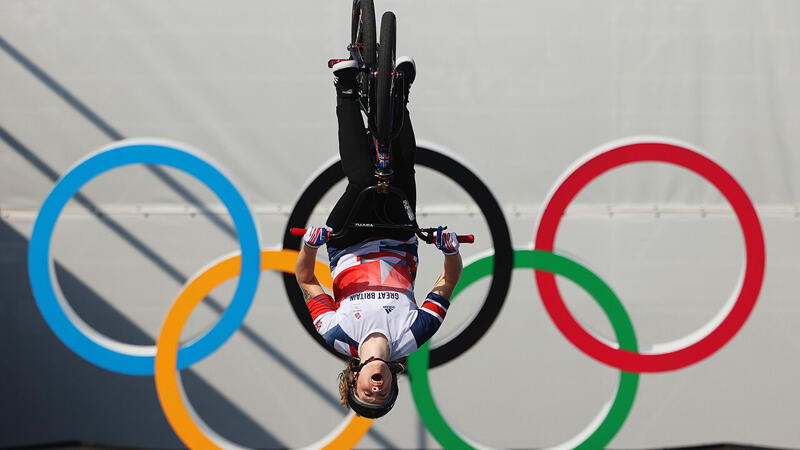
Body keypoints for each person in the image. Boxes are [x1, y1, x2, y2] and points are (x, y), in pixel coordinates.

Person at [294, 56, 463, 419]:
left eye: (366, 393)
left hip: (347, 239)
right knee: (402, 169)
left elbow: (306, 280)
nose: (376, 389)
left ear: (353, 378)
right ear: (391, 384)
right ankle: (399, 90)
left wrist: (310, 245)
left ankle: (345, 88)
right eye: (383, 395)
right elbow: (448, 282)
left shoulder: (337, 334)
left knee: (361, 180)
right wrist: (450, 252)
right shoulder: (413, 336)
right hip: (400, 236)